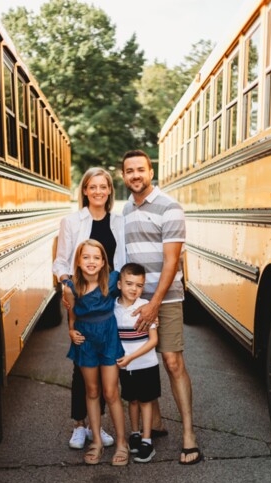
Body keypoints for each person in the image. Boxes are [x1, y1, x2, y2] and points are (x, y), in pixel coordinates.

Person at [121, 150, 202, 465]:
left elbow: (172, 261)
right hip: (134, 302)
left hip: (164, 300)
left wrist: (154, 303)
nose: (135, 175)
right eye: (130, 171)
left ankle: (189, 434)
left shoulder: (170, 207)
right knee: (142, 362)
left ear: (150, 171)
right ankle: (154, 422)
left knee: (172, 362)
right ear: (124, 176)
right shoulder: (125, 210)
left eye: (140, 169)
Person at [53, 167, 125, 450]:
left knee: (106, 361)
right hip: (81, 300)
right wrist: (66, 284)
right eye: (92, 187)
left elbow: (122, 258)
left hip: (108, 298)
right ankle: (79, 425)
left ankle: (100, 426)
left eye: (103, 187)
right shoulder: (71, 221)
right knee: (81, 364)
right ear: (84, 190)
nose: (98, 192)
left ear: (109, 191)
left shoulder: (118, 221)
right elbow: (61, 261)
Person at [64, 239, 129, 466]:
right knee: (92, 391)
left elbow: (130, 293)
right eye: (86, 257)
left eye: (96, 258)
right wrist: (71, 331)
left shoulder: (112, 281)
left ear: (103, 262)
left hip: (108, 338)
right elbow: (72, 316)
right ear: (79, 262)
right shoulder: (71, 288)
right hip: (85, 341)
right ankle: (97, 442)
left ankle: (122, 442)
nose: (91, 262)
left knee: (110, 392)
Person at [115, 263, 160, 463]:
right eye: (129, 284)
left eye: (139, 285)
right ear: (119, 284)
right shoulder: (113, 308)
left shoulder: (146, 308)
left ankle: (147, 439)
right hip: (126, 367)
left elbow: (153, 340)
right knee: (131, 400)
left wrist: (132, 357)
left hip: (146, 364)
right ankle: (134, 433)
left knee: (145, 401)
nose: (134, 289)